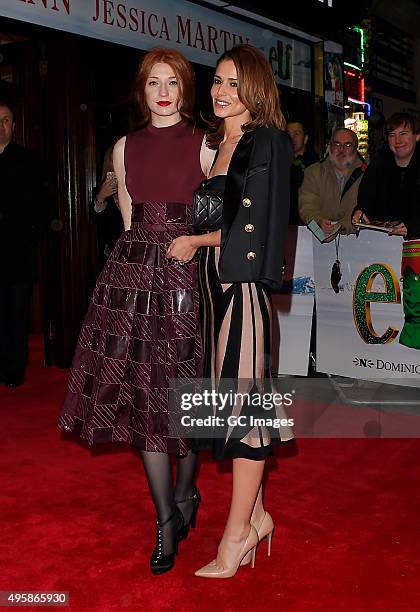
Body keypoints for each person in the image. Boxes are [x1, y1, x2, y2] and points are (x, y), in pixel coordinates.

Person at [59, 48, 209, 575]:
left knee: (187, 392)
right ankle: (166, 517)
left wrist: (194, 249)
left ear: (185, 89)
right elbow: (127, 221)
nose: (163, 91)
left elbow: (222, 222)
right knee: (146, 393)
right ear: (141, 91)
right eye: (153, 83)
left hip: (189, 275)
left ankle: (188, 492)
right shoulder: (124, 149)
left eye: (172, 82)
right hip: (134, 278)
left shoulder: (207, 146)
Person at [167, 43, 293, 578]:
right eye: (217, 81)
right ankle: (257, 516)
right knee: (229, 414)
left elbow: (256, 228)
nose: (222, 91)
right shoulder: (220, 144)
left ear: (255, 88)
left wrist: (196, 241)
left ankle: (236, 536)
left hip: (241, 295)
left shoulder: (268, 142)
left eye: (234, 83)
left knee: (244, 422)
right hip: (213, 299)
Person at [353, 112, 420, 349]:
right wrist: (361, 212)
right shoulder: (379, 165)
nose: (398, 140)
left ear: (417, 136)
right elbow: (367, 200)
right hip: (384, 252)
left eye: (404, 133)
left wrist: (413, 226)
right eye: (392, 135)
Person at [0, 99, 46, 387]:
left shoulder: (29, 161)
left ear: (14, 126)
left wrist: (27, 237)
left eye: (6, 120)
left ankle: (14, 372)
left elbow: (42, 208)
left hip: (18, 255)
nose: (1, 126)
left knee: (16, 315)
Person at [299, 127, 364, 237]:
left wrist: (341, 227)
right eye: (337, 144)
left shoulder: (367, 174)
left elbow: (366, 211)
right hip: (318, 239)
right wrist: (319, 228)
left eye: (348, 145)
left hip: (360, 239)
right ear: (329, 146)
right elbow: (306, 209)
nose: (341, 149)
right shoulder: (313, 172)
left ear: (355, 148)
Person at [91, 144, 123, 266]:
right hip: (112, 253)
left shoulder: (136, 187)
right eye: (113, 160)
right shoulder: (101, 190)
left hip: (136, 249)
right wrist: (101, 197)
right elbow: (95, 218)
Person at [287, 121, 318, 225]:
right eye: (288, 134)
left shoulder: (314, 164)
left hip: (305, 221)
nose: (292, 138)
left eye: (296, 134)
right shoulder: (278, 161)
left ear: (305, 139)